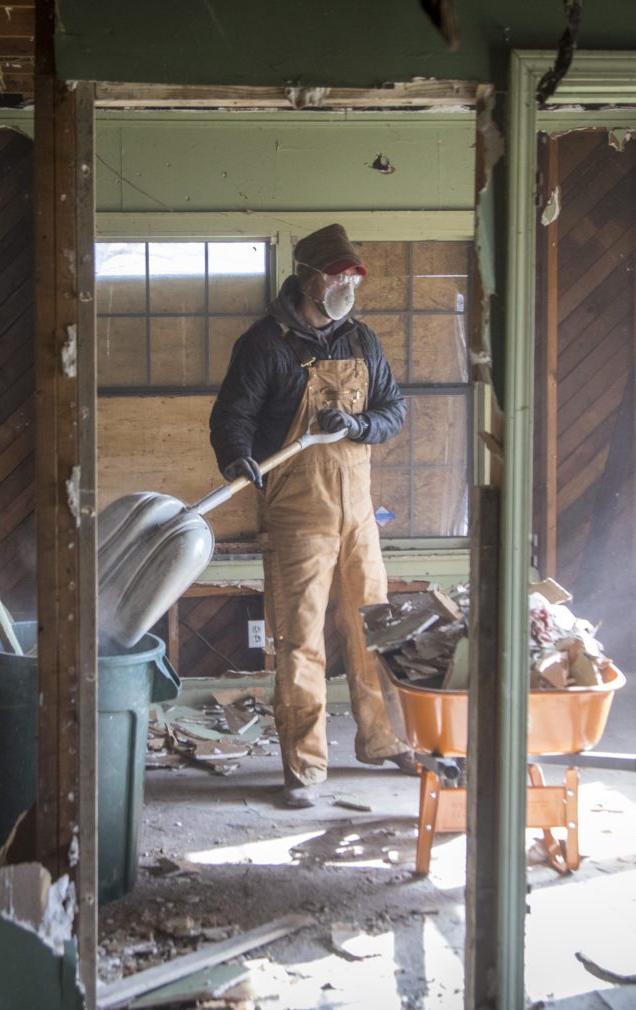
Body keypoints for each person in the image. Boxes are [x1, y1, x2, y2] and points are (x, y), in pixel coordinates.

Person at [209, 223, 416, 808]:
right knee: (301, 642)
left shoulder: (361, 341)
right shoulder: (264, 344)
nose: (349, 283)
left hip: (358, 518)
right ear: (308, 278)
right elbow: (232, 417)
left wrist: (359, 426)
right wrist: (236, 458)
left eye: (354, 275)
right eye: (339, 274)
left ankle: (387, 739)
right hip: (298, 517)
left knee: (374, 629)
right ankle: (303, 766)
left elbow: (393, 409)